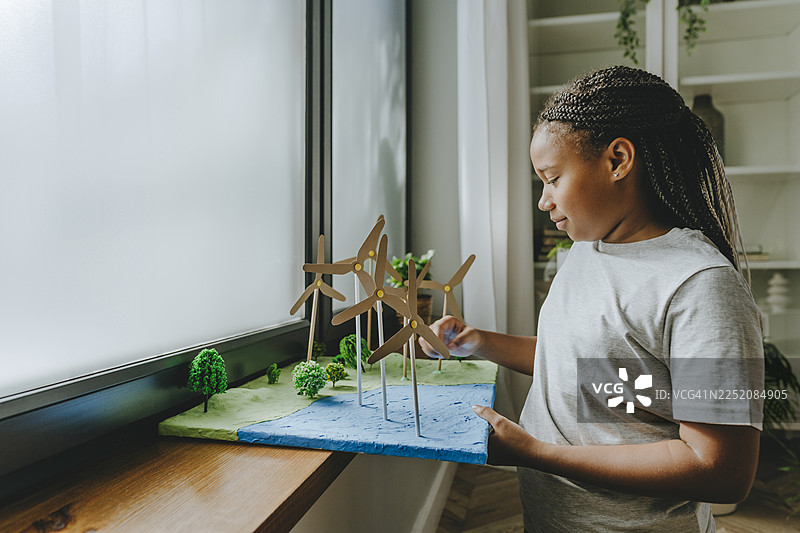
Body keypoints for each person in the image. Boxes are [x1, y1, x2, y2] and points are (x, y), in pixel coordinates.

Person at [419, 65, 764, 532]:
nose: (543, 200)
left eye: (552, 177)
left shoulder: (700, 285)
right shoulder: (586, 251)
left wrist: (536, 453)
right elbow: (585, 365)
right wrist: (479, 342)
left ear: (618, 159)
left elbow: (721, 471)